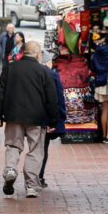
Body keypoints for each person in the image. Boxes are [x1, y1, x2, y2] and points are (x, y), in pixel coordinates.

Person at [0, 40, 61, 198]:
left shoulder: (10, 68)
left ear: (22, 52)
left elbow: (0, 91)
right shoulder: (43, 71)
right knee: (36, 150)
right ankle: (31, 186)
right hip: (37, 117)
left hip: (13, 115)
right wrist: (53, 120)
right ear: (38, 55)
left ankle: (10, 169)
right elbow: (52, 98)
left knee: (13, 145)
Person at [38, 58, 67, 188]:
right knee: (43, 148)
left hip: (30, 116)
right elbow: (59, 97)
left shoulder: (31, 73)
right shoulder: (52, 74)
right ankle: (39, 176)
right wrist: (60, 118)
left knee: (34, 148)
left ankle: (33, 176)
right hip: (46, 117)